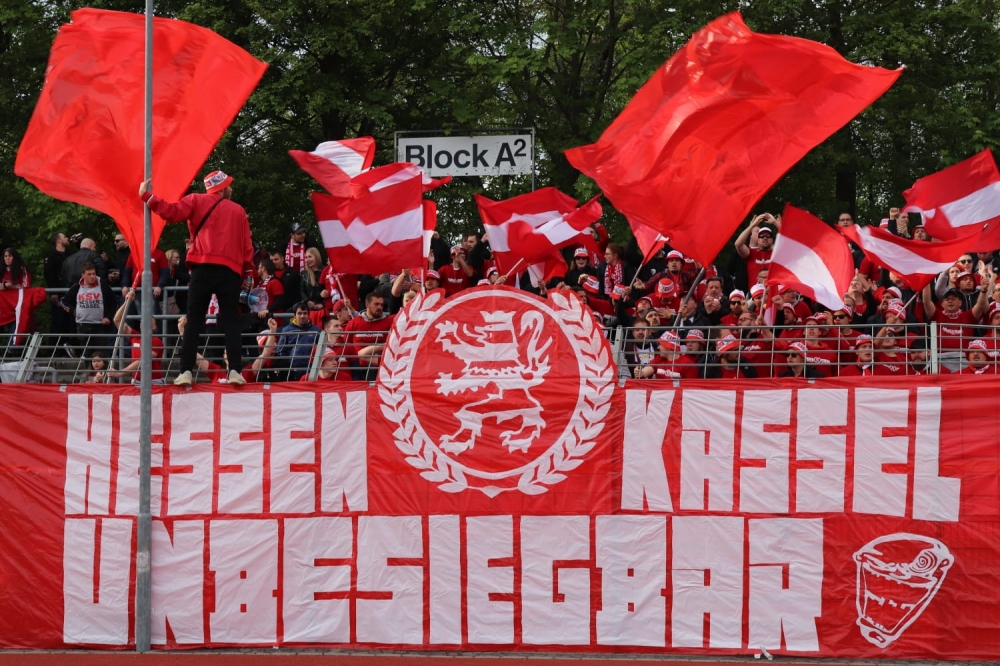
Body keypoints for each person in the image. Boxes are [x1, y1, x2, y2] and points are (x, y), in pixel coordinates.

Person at [140, 169, 254, 386]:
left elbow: (171, 212)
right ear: (222, 187)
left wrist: (149, 197)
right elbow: (246, 245)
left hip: (202, 268)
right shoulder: (239, 210)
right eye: (229, 185)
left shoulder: (195, 200)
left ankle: (185, 372)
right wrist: (248, 271)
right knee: (231, 321)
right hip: (229, 270)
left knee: (193, 321)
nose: (231, 188)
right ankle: (235, 371)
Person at [61, 262, 116, 357]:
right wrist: (73, 311)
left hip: (100, 325)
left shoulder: (103, 286)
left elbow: (113, 302)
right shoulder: (76, 287)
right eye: (89, 274)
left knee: (100, 354)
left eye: (94, 273)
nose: (92, 276)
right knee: (86, 354)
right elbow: (64, 302)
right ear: (83, 275)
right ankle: (86, 366)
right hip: (82, 325)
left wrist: (108, 317)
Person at [343, 291, 395, 381]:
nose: (380, 307)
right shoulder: (354, 323)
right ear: (367, 305)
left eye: (381, 305)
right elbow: (346, 344)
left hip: (379, 367)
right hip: (358, 368)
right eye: (376, 304)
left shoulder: (388, 322)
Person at [276, 302, 323, 381]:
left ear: (308, 315)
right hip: (292, 371)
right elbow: (281, 352)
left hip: (311, 371)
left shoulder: (317, 330)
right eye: (299, 313)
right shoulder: (286, 330)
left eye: (305, 313)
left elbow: (321, 351)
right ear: (295, 315)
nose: (302, 316)